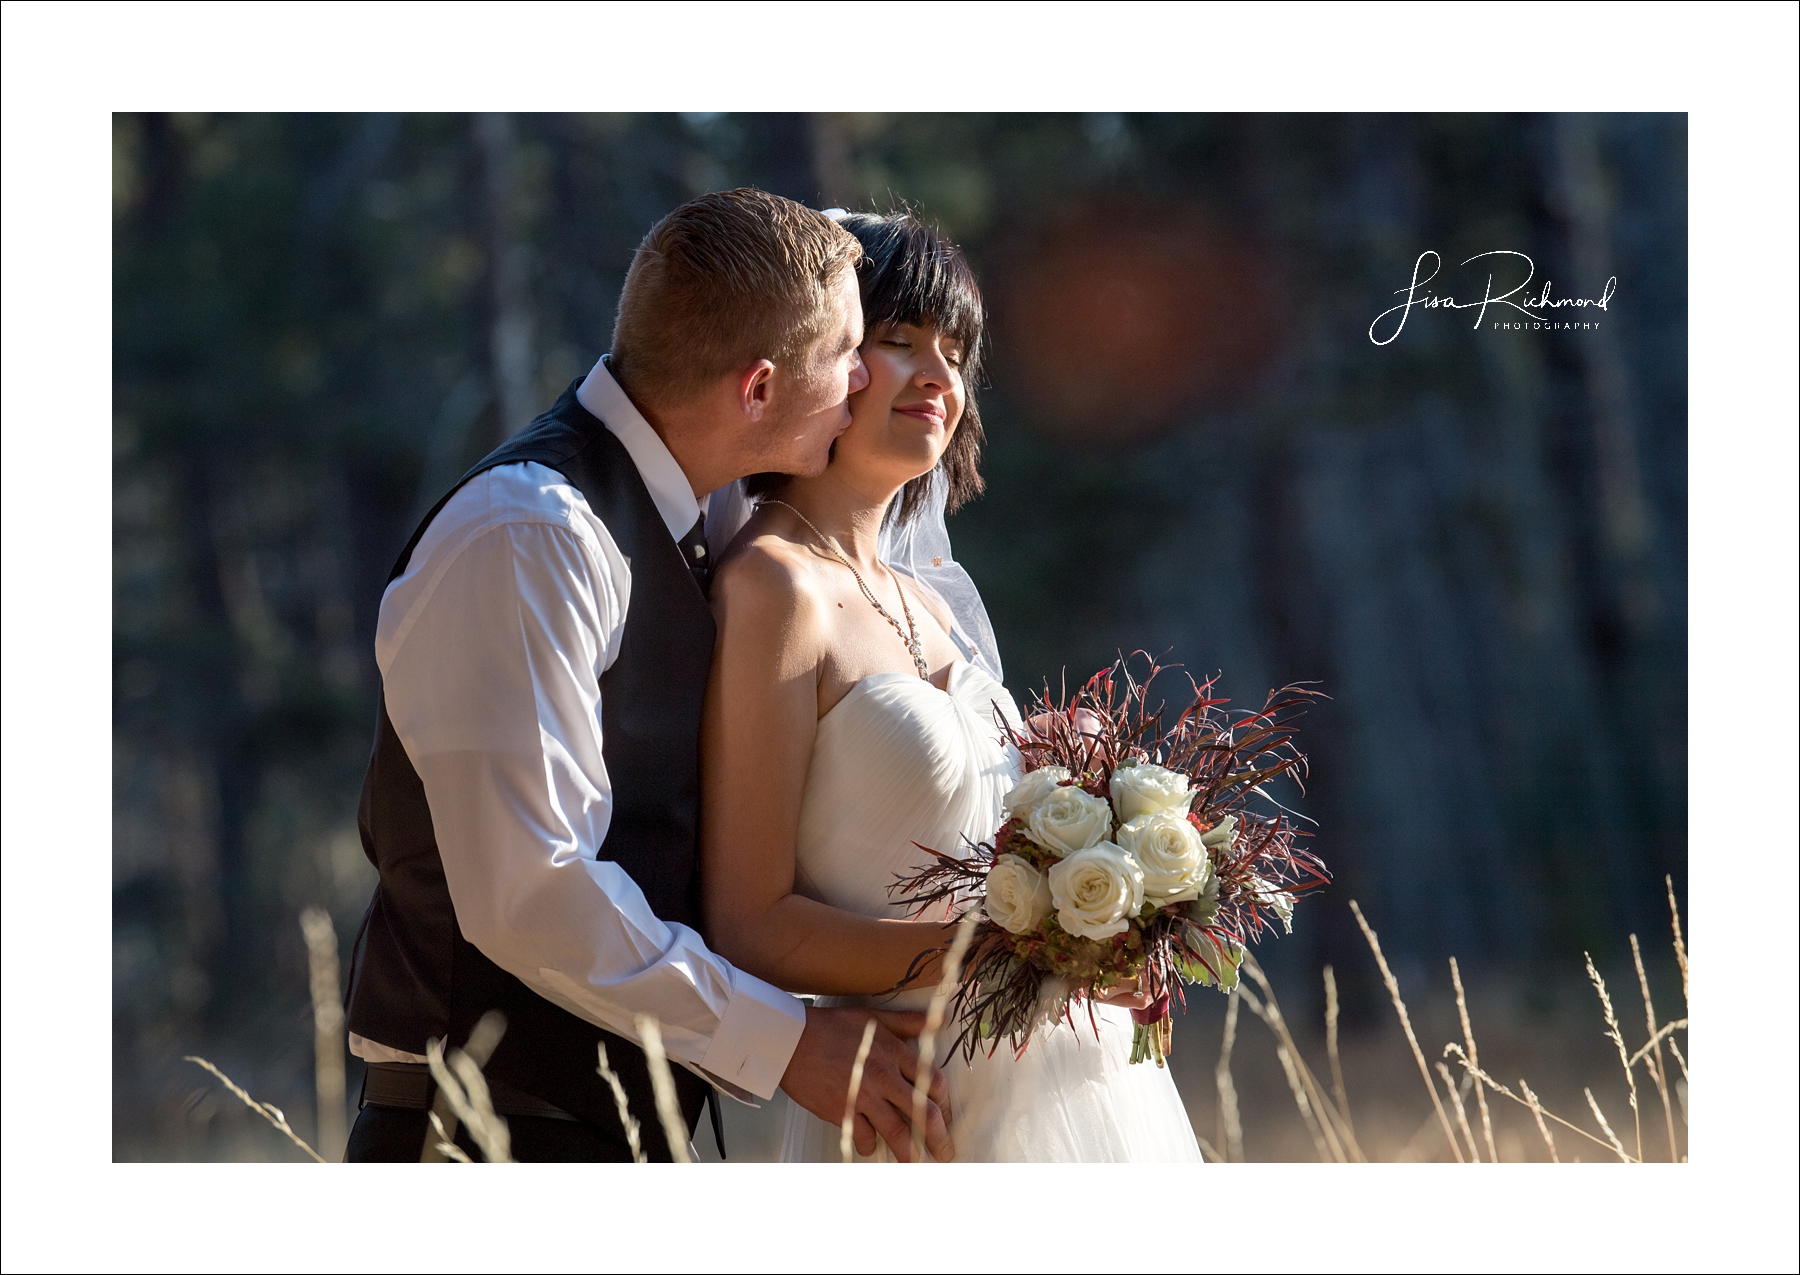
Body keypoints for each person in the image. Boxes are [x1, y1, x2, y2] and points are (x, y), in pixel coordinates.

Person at [342, 189, 953, 1162]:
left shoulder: (710, 525)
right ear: (757, 390)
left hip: (620, 1131)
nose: (859, 381)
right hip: (485, 1140)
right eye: (846, 353)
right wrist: (787, 1043)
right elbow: (534, 890)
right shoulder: (532, 536)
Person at [702, 211, 1204, 1161]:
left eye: (956, 349)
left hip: (1077, 1089)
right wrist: (1001, 955)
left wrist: (1103, 933)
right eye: (898, 341)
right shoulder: (772, 587)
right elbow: (748, 920)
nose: (938, 374)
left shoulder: (928, 600)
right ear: (827, 356)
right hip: (921, 1102)